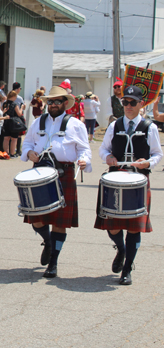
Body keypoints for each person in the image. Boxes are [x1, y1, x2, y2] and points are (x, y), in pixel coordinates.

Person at [21, 85, 92, 278]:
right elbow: (27, 142)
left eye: (57, 101)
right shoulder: (37, 122)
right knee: (36, 218)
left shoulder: (76, 124)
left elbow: (84, 149)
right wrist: (28, 153)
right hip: (40, 171)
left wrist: (85, 160)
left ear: (65, 104)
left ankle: (53, 262)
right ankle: (48, 242)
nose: (52, 104)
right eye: (50, 101)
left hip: (64, 172)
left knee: (60, 222)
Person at [94, 86, 162, 286]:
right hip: (115, 178)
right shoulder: (115, 126)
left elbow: (158, 154)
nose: (128, 106)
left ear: (141, 104)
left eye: (133, 102)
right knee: (112, 226)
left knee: (134, 228)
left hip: (139, 180)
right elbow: (103, 149)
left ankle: (127, 268)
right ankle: (121, 249)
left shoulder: (149, 127)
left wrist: (147, 163)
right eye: (125, 102)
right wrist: (108, 157)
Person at [2, 90, 24, 158]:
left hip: (6, 121)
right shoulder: (15, 104)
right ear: (14, 97)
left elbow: (2, 112)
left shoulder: (5, 104)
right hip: (14, 123)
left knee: (6, 138)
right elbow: (19, 114)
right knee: (14, 139)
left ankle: (6, 153)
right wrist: (22, 107)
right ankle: (12, 153)